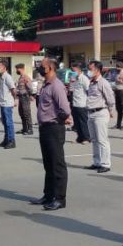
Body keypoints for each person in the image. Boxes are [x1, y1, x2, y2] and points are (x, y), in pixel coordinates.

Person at [33, 56, 72, 210]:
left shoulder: (56, 85)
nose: (40, 68)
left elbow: (65, 109)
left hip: (54, 128)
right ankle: (48, 195)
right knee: (48, 164)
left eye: (42, 65)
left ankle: (60, 198)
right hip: (45, 128)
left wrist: (58, 120)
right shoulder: (46, 85)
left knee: (57, 164)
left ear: (50, 68)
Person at [85, 61, 116, 173]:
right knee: (94, 140)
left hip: (100, 113)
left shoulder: (103, 82)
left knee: (102, 140)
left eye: (90, 69)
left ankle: (105, 164)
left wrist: (110, 110)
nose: (88, 71)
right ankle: (97, 162)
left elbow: (111, 99)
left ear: (97, 70)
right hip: (91, 113)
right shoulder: (91, 82)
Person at [0, 60, 16, 149]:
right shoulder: (0, 77)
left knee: (8, 122)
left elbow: (13, 89)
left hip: (7, 103)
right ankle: (6, 139)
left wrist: (15, 100)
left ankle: (11, 141)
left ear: (4, 67)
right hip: (2, 103)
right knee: (4, 122)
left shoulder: (7, 77)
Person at [69, 63, 91, 144]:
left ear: (79, 70)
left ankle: (86, 138)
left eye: (74, 70)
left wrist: (89, 102)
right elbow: (71, 89)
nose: (72, 72)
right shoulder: (74, 78)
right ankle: (79, 137)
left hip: (82, 103)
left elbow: (88, 90)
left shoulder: (84, 78)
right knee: (77, 122)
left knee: (83, 122)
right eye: (72, 70)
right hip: (74, 103)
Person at [15, 63, 34, 135]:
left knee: (27, 113)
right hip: (21, 97)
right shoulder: (20, 77)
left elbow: (30, 88)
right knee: (21, 113)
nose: (16, 70)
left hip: (25, 97)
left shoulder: (26, 77)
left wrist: (29, 95)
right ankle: (24, 128)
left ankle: (30, 129)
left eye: (17, 69)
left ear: (21, 69)